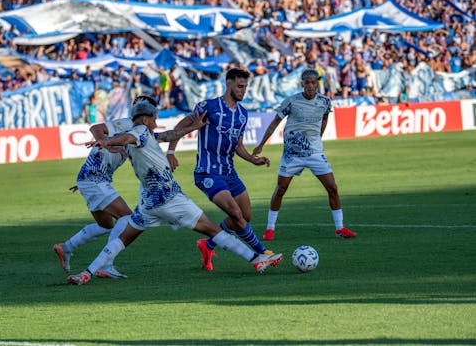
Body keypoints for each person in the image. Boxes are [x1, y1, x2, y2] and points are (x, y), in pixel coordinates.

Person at [67, 99, 283, 285]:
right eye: (153, 118)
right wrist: (107, 141)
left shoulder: (145, 133)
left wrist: (194, 127)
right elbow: (125, 139)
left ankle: (87, 273)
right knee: (211, 229)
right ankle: (255, 258)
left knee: (123, 238)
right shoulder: (140, 132)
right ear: (144, 119)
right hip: (169, 198)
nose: (155, 122)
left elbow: (168, 134)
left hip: (149, 203)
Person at [166, 68, 279, 271]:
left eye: (245, 87)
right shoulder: (209, 107)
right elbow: (182, 125)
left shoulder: (243, 115)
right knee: (235, 213)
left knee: (245, 217)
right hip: (208, 172)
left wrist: (253, 160)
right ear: (228, 84)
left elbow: (238, 147)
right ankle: (261, 253)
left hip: (229, 172)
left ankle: (208, 245)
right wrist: (171, 152)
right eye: (240, 86)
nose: (243, 91)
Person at [54, 95, 156, 279]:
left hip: (90, 179)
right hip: (95, 179)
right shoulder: (126, 124)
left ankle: (66, 247)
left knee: (105, 224)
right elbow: (96, 128)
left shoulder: (140, 133)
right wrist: (106, 143)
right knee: (126, 218)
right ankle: (106, 265)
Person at [252, 69, 357, 241]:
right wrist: (261, 144)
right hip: (292, 155)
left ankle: (340, 228)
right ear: (302, 84)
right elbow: (274, 123)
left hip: (315, 153)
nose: (310, 85)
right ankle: (270, 229)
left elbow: (324, 119)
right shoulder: (291, 101)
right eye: (307, 82)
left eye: (313, 82)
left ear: (317, 83)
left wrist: (318, 138)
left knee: (332, 188)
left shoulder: (325, 101)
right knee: (281, 189)